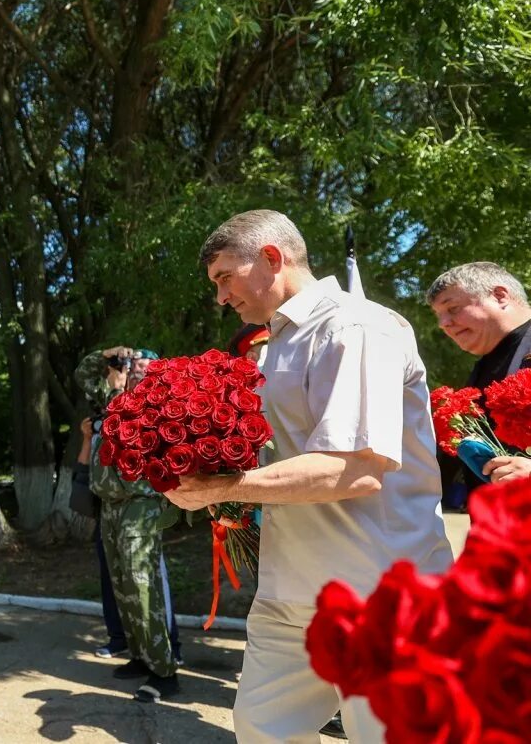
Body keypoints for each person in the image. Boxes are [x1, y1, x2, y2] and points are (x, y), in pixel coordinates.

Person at [171, 209, 452, 742]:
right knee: (261, 728)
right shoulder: (276, 341)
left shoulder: (355, 326)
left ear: (272, 258)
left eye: (224, 277)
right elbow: (283, 452)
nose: (220, 297)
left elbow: (356, 468)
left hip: (378, 594)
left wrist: (221, 489)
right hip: (290, 591)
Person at [75, 348, 183, 703]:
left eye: (142, 365)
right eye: (131, 365)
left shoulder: (157, 402)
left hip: (140, 503)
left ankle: (164, 671)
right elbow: (83, 375)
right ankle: (140, 656)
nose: (134, 370)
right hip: (111, 505)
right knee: (122, 584)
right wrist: (106, 357)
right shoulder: (114, 395)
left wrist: (121, 389)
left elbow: (136, 431)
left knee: (142, 586)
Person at [427, 262, 531, 485]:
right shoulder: (485, 363)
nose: (443, 324)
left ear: (500, 296)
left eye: (452, 308)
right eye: (439, 315)